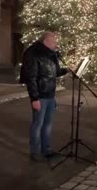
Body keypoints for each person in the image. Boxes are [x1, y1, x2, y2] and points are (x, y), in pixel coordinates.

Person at [23, 32, 68, 162]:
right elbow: (30, 78)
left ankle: (46, 149)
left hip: (50, 94)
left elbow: (56, 72)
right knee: (38, 124)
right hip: (40, 96)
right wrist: (34, 98)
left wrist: (67, 70)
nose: (56, 44)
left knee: (48, 124)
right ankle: (35, 152)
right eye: (54, 41)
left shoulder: (51, 54)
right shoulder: (32, 53)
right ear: (46, 41)